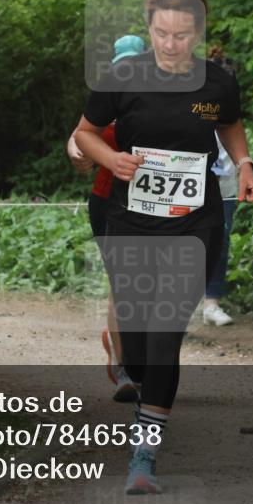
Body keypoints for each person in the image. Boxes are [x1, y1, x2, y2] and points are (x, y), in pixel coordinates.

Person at [74, 0, 253, 494]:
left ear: (196, 34)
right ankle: (129, 367)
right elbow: (85, 135)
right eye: (163, 34)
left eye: (182, 36)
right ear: (150, 28)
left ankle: (145, 455)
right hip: (131, 222)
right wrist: (112, 157)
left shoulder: (217, 80)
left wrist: (244, 163)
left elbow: (229, 124)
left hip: (194, 223)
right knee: (136, 339)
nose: (172, 45)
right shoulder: (122, 76)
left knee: (164, 336)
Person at [67, 34, 146, 403]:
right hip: (108, 200)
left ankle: (145, 362)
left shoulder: (161, 96)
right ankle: (124, 367)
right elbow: (78, 136)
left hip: (159, 203)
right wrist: (77, 154)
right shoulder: (106, 96)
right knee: (123, 281)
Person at [202, 45, 239, 326]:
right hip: (192, 183)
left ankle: (211, 303)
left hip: (225, 183)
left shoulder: (232, 113)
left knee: (220, 241)